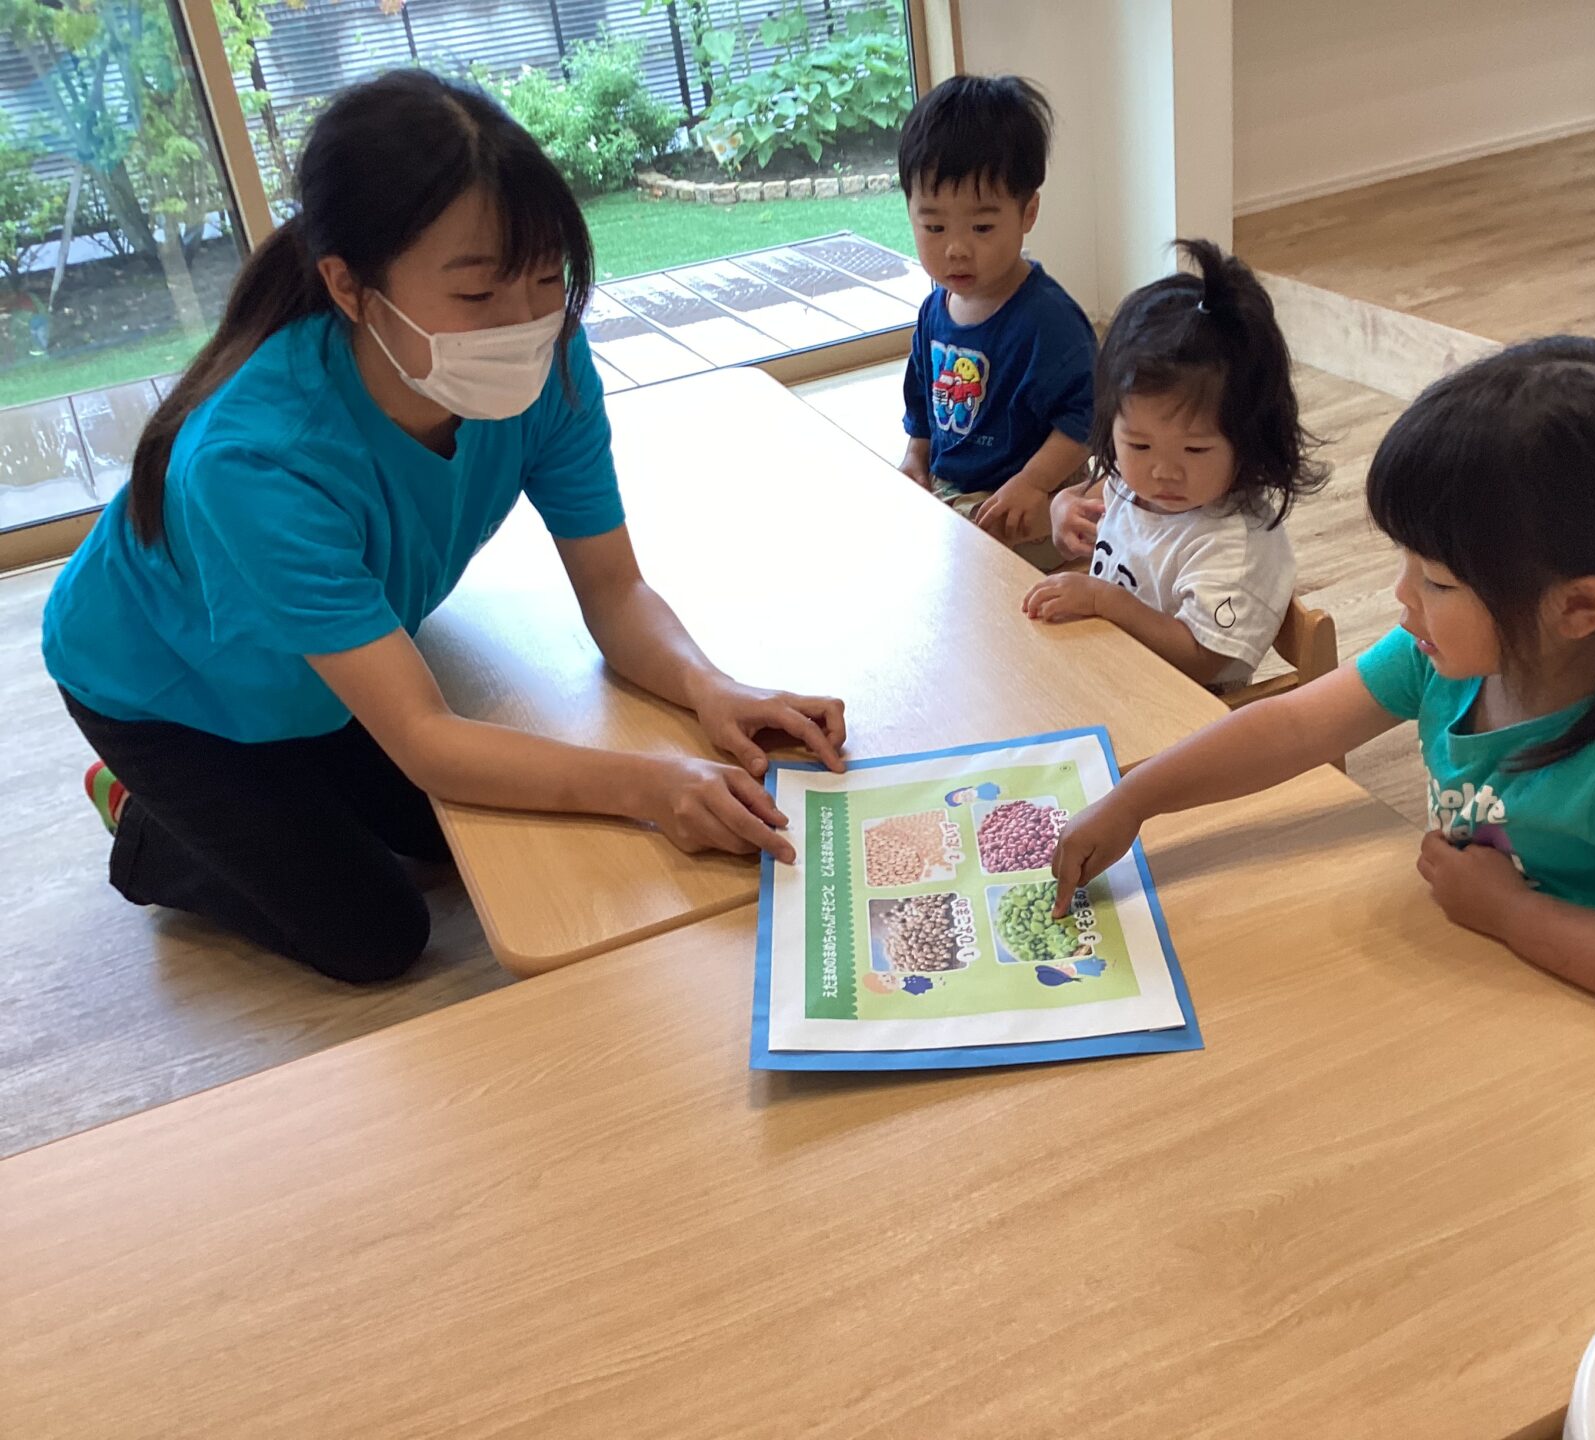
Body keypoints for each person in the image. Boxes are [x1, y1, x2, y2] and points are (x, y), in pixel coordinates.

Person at [41, 72, 846, 985]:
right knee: (374, 933)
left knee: (461, 837)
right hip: (166, 691)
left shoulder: (553, 358)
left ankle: (278, 799)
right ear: (349, 286)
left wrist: (710, 686)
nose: (526, 323)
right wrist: (654, 786)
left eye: (548, 279)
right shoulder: (253, 461)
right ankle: (149, 822)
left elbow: (615, 590)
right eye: (477, 295)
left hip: (334, 665)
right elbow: (424, 736)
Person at [1050, 337, 1595, 1043]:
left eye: (1437, 581)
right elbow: (1293, 728)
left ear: (1580, 607)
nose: (1403, 598)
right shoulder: (1450, 656)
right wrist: (1135, 798)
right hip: (1518, 987)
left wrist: (1511, 915)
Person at [1021, 240, 1326, 688]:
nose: (1162, 472)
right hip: (1108, 668)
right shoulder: (1134, 482)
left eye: (1196, 450)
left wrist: (1106, 602)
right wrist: (1062, 506)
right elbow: (1097, 492)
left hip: (1180, 706)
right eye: (1139, 446)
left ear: (1252, 439)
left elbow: (1203, 661)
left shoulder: (1231, 544)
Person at [895, 74, 1097, 563]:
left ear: (1028, 213)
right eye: (934, 225)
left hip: (1026, 506)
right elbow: (924, 402)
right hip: (956, 492)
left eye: (982, 226)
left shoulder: (1049, 321)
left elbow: (1090, 417)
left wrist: (1033, 483)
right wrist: (914, 459)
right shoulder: (934, 310)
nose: (957, 248)